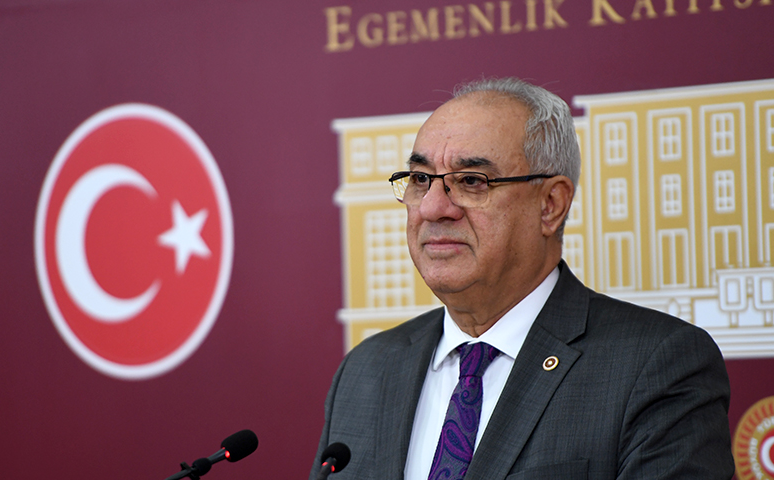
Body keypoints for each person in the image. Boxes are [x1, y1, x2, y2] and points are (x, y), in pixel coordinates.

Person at [311, 78, 734, 480]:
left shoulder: (654, 366)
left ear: (550, 204)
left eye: (471, 181)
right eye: (421, 180)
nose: (432, 208)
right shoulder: (367, 370)